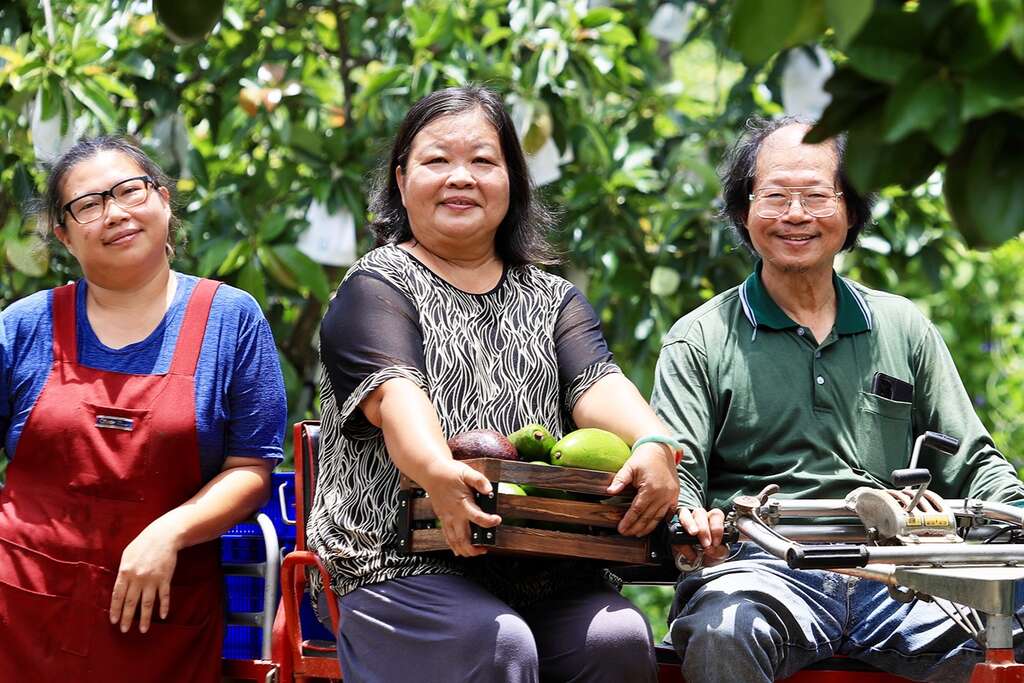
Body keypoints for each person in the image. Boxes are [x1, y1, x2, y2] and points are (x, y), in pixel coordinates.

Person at [309, 85, 680, 682]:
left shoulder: (551, 296)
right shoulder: (375, 287)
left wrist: (654, 443)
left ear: (513, 182)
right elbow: (398, 399)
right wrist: (435, 471)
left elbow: (600, 386)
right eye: (437, 161)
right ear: (402, 181)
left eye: (483, 161)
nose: (461, 177)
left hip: (545, 560)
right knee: (499, 643)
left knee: (618, 638)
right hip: (402, 565)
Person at [652, 116, 1024, 683]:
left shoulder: (902, 327)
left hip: (904, 578)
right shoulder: (699, 338)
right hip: (764, 571)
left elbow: (975, 466)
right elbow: (676, 476)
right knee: (724, 628)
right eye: (775, 196)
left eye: (816, 196)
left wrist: (1014, 514)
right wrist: (689, 516)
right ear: (744, 209)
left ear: (849, 210)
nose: (795, 214)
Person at [0, 136, 287, 682]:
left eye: (130, 190)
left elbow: (251, 471)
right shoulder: (24, 327)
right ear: (64, 235)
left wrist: (168, 532)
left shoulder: (231, 320)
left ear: (163, 201)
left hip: (163, 621)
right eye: (88, 205)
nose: (115, 213)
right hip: (22, 613)